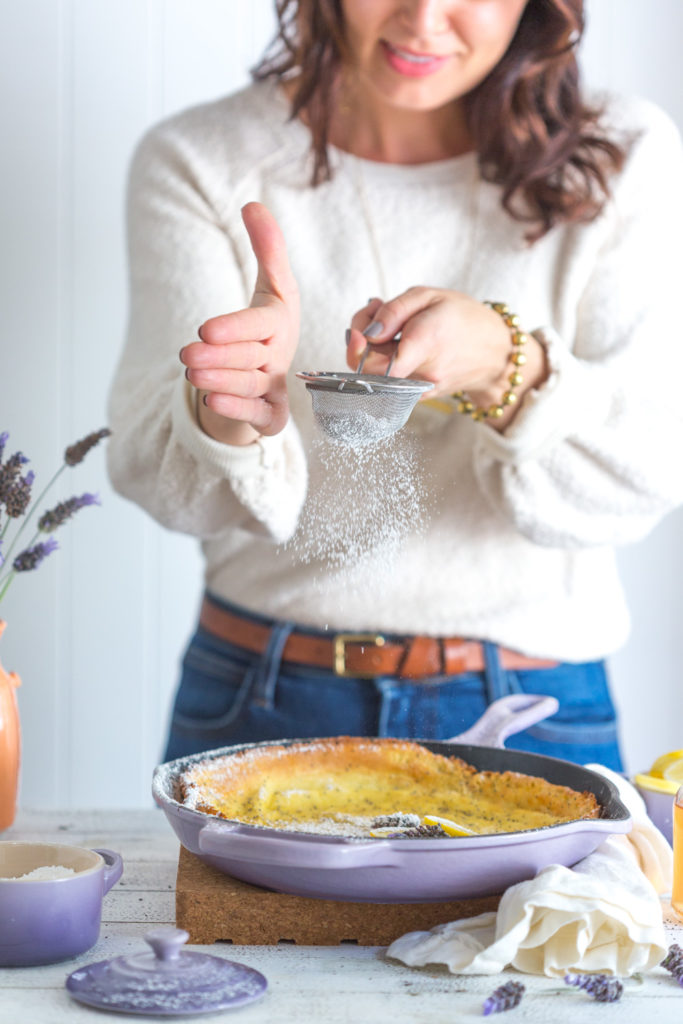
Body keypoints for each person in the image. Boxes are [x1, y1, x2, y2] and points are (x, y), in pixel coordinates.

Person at [107, 0, 683, 771]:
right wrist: (225, 410)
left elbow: (645, 475)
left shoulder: (622, 156)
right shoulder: (203, 158)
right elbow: (152, 476)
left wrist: (506, 365)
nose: (423, 20)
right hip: (260, 688)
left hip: (530, 704)